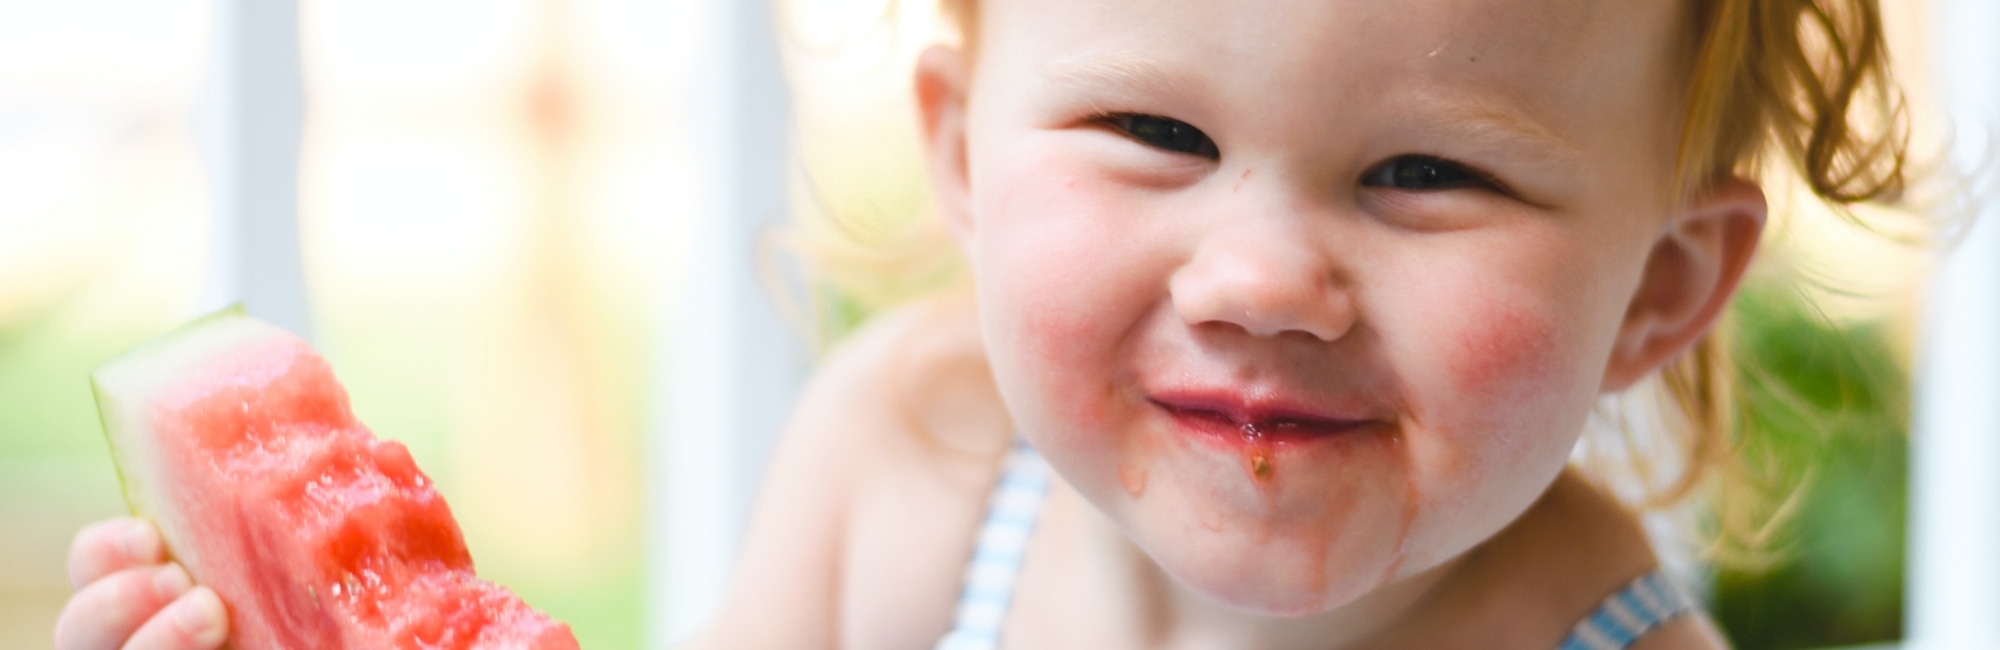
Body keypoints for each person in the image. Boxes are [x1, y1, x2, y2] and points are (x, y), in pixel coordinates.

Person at [55, 0, 1914, 647]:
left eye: (1426, 173)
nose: (1263, 278)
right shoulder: (909, 469)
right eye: (1154, 132)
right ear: (959, 152)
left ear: (1657, 291)